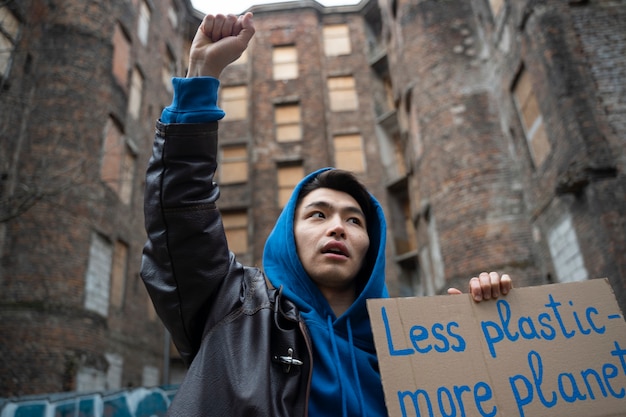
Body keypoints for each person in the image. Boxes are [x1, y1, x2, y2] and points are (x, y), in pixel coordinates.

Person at [140, 12, 513, 417]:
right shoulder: (233, 309)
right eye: (318, 215)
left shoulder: (415, 344)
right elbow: (181, 213)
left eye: (354, 220)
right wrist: (201, 76)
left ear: (372, 243)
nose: (338, 226)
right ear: (288, 235)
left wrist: (485, 333)